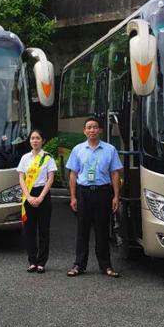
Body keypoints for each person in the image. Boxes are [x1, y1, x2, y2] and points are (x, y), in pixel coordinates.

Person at [66, 117, 124, 278]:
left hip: (103, 192)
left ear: (100, 130)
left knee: (102, 230)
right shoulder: (77, 149)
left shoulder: (110, 149)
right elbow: (73, 174)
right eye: (89, 127)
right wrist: (73, 197)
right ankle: (79, 264)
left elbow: (115, 173)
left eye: (95, 127)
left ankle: (106, 266)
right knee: (82, 230)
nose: (92, 130)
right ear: (84, 131)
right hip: (83, 193)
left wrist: (116, 196)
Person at [16, 128, 57, 274]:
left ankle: (41, 262)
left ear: (43, 141)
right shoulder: (25, 158)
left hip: (43, 195)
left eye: (38, 138)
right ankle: (32, 261)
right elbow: (21, 178)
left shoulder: (48, 158)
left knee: (43, 230)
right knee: (29, 230)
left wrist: (40, 197)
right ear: (29, 141)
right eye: (32, 138)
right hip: (28, 194)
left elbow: (50, 179)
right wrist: (28, 196)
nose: (35, 141)